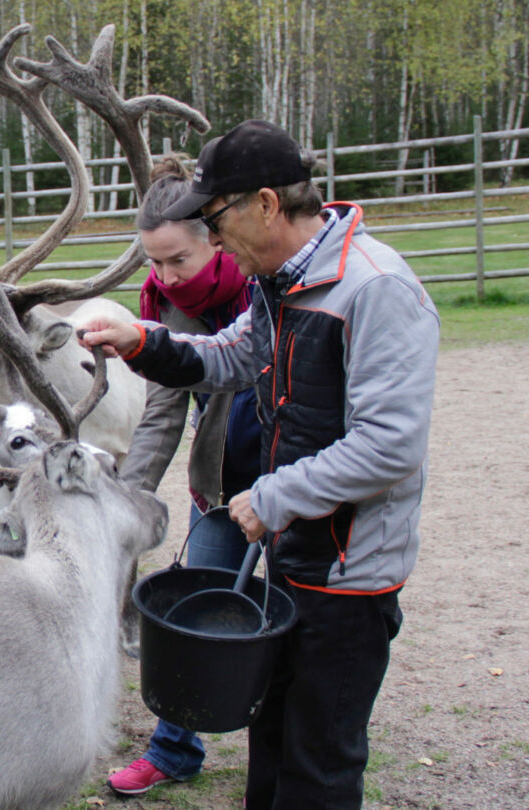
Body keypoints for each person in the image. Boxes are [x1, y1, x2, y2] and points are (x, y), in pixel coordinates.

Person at [82, 119, 439, 808]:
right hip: (294, 558)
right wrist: (140, 340)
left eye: (217, 220)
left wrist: (271, 496)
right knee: (272, 745)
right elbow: (230, 357)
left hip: (349, 572)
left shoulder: (374, 290)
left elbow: (390, 445)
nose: (212, 240)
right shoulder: (284, 286)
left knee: (318, 764)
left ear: (267, 205)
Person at [108, 154, 264, 795]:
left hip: (291, 483)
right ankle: (174, 749)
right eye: (154, 263)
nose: (166, 278)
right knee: (194, 610)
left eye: (178, 261)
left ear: (216, 239)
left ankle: (283, 746)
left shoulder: (264, 288)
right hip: (222, 490)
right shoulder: (165, 308)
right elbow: (163, 413)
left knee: (294, 619)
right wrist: (128, 498)